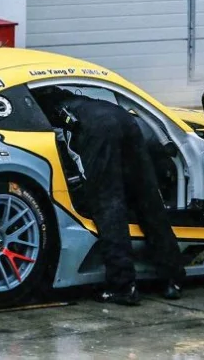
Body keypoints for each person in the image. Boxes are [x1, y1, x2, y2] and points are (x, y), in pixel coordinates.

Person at [35, 86, 186, 305]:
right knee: (148, 199)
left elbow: (73, 158)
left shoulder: (45, 112)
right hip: (124, 120)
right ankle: (174, 278)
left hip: (95, 129)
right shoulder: (78, 99)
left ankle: (123, 286)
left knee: (108, 205)